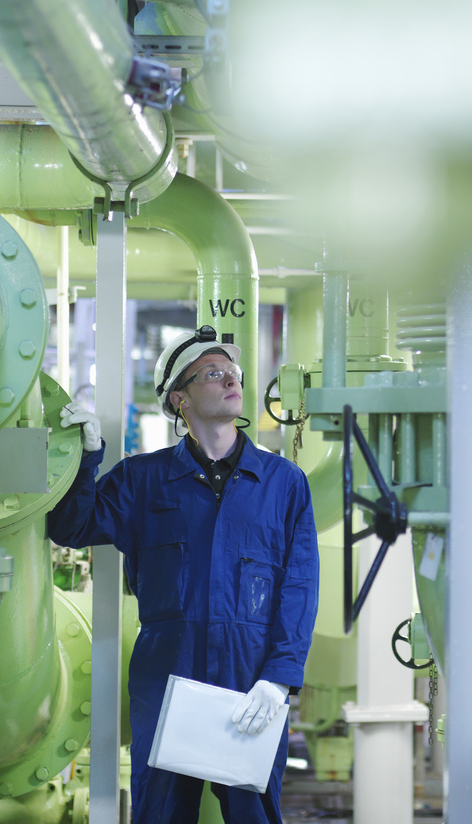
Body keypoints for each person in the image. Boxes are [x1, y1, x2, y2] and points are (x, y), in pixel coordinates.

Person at [48, 325, 319, 823]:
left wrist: (279, 678)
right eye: (212, 373)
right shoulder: (142, 480)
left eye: (232, 372)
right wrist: (83, 458)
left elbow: (299, 585)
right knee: (161, 813)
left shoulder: (284, 483)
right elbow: (71, 526)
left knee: (253, 815)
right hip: (168, 677)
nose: (230, 380)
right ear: (180, 399)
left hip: (250, 676)